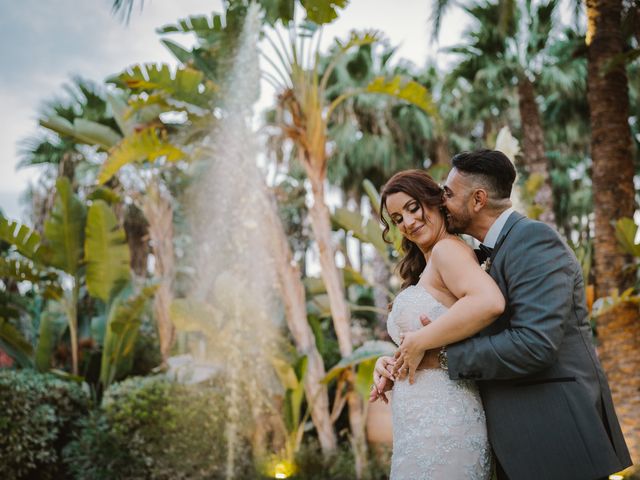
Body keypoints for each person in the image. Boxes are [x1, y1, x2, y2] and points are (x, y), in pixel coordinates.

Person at [375, 150, 632, 480]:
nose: (442, 200)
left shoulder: (534, 240)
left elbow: (535, 344)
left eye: (448, 194)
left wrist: (438, 358)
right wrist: (399, 359)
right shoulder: (474, 256)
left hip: (553, 433)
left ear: (478, 199)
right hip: (503, 435)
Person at [370, 168, 506, 479]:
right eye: (397, 218)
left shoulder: (447, 250)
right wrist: (393, 362)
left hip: (445, 420)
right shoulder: (427, 265)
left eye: (412, 207)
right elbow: (439, 334)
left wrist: (420, 340)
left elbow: (489, 302)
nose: (408, 222)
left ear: (434, 200)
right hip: (416, 424)